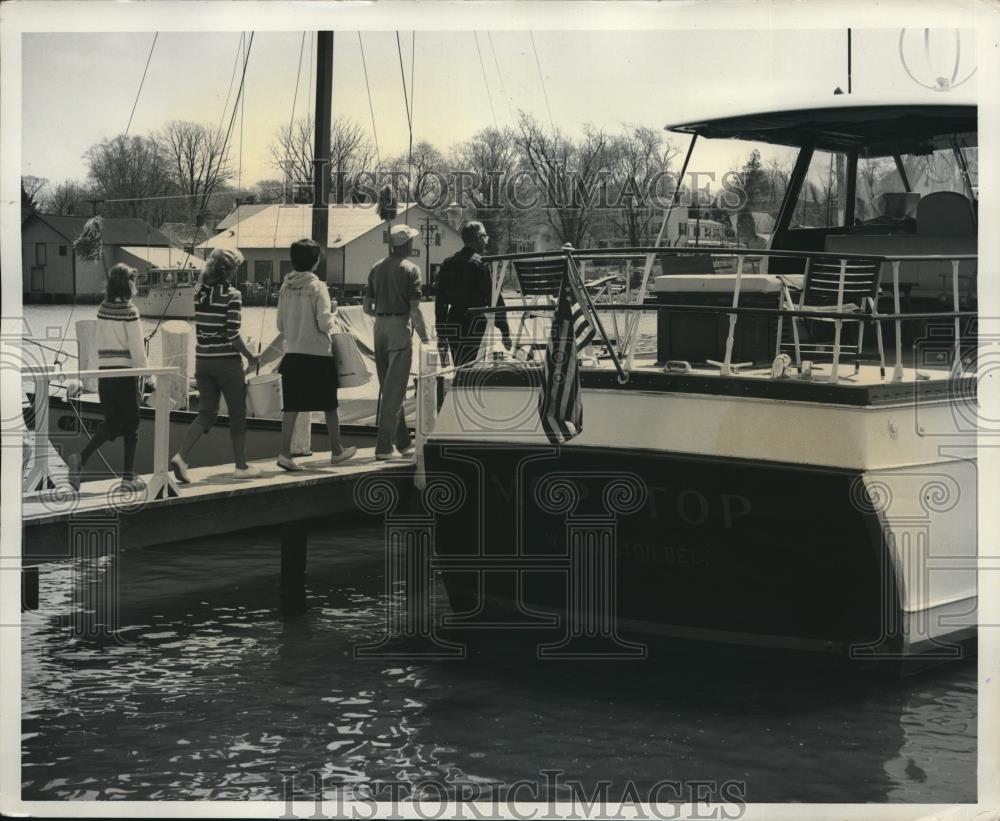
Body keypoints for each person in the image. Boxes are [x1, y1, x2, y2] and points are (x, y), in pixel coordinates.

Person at [169, 248, 260, 483]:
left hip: (203, 362)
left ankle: (182, 455)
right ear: (229, 271)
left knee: (207, 413)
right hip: (226, 363)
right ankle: (241, 466)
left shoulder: (198, 292)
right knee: (237, 414)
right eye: (236, 268)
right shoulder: (233, 295)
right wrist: (251, 356)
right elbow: (232, 334)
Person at [274, 238, 356, 471]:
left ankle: (284, 453)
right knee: (329, 405)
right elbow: (324, 324)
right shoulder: (318, 286)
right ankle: (337, 451)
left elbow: (280, 325)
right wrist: (334, 311)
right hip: (318, 354)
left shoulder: (285, 286)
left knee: (291, 406)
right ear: (316, 260)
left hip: (292, 354)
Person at [66, 264, 147, 491]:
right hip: (124, 375)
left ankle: (81, 458)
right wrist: (146, 374)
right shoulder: (130, 311)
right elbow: (137, 350)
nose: (135, 285)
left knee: (111, 423)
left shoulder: (102, 308)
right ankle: (127, 478)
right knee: (131, 426)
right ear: (127, 284)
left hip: (105, 376)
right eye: (133, 280)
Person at [363, 223, 430, 460]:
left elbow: (366, 307)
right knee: (395, 389)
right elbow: (415, 310)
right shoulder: (412, 270)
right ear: (408, 244)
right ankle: (383, 447)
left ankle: (402, 442)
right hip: (399, 328)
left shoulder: (375, 268)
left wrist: (383, 315)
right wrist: (426, 337)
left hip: (378, 328)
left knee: (389, 386)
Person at [434, 221, 511, 367]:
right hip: (475, 320)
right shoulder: (479, 264)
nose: (486, 241)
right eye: (485, 237)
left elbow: (441, 302)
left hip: (453, 320)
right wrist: (504, 330)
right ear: (478, 238)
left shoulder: (448, 263)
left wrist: (441, 333)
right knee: (472, 368)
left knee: (460, 366)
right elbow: (493, 298)